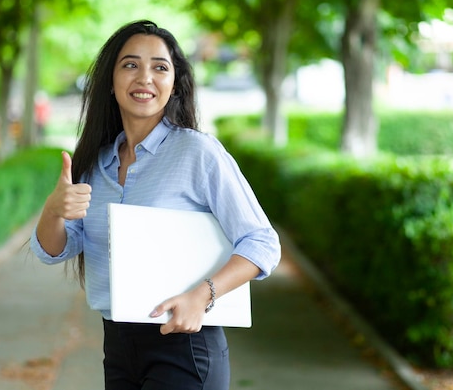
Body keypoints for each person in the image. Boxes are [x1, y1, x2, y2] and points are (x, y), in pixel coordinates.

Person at [30, 19, 281, 390]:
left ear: (174, 85)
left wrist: (202, 296)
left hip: (185, 346)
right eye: (130, 65)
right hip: (117, 347)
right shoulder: (95, 164)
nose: (144, 77)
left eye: (159, 67)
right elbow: (54, 250)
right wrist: (53, 210)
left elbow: (262, 243)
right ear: (111, 83)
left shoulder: (198, 152)